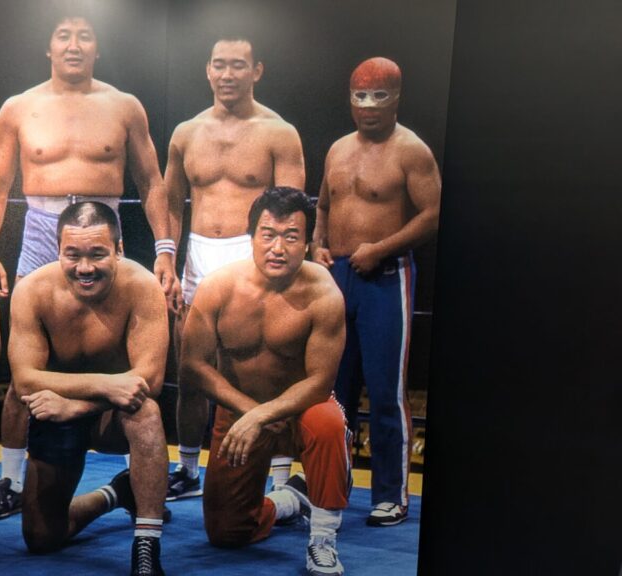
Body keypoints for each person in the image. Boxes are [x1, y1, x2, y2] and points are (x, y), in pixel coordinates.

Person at [0, 13, 174, 520]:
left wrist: (165, 248)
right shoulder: (19, 107)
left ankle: (139, 480)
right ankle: (9, 482)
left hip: (103, 230)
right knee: (25, 363)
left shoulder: (124, 106)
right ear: (49, 46)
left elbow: (152, 181)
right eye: (63, 35)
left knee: (121, 356)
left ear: (97, 47)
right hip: (42, 230)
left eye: (84, 35)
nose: (73, 44)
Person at [163, 37, 305, 500]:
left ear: (256, 70)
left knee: (268, 370)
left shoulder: (279, 133)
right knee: (190, 368)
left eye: (238, 65)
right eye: (220, 65)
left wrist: (281, 267)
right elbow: (170, 202)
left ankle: (280, 478)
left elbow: (291, 211)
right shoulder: (186, 133)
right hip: (199, 256)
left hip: (255, 255)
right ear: (208, 69)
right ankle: (187, 468)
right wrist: (166, 256)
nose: (227, 74)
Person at [181, 188, 351, 576]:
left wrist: (266, 413)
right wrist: (252, 412)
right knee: (226, 532)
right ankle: (290, 500)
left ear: (306, 243)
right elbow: (192, 366)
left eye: (291, 236)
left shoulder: (323, 292)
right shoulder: (218, 287)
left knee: (328, 420)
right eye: (268, 234)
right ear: (251, 236)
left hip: (301, 408)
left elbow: (320, 381)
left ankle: (323, 539)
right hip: (241, 410)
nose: (277, 247)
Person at [312, 57, 441, 527]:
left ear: (397, 98)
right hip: (337, 277)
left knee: (386, 390)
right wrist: (317, 245)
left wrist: (381, 249)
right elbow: (323, 205)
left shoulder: (411, 150)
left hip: (386, 277)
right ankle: (332, 488)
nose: (368, 105)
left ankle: (391, 495)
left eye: (378, 96)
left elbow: (433, 214)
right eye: (360, 95)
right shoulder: (337, 149)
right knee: (333, 387)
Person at [10, 202, 169, 576]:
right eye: (73, 255)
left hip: (111, 417)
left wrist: (78, 406)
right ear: (58, 251)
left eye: (97, 254)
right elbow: (25, 380)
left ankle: (147, 545)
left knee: (146, 412)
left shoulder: (142, 286)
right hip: (56, 417)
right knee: (42, 538)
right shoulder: (32, 291)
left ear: (119, 249)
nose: (84, 268)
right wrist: (106, 384)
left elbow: (150, 380)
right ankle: (116, 493)